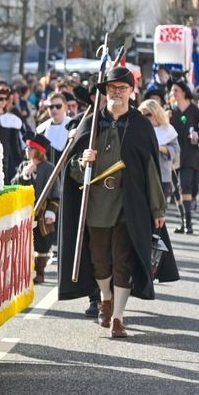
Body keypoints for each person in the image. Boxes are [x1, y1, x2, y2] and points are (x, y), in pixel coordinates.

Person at [60, 67, 174, 339]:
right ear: (106, 92)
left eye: (122, 88)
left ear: (131, 92)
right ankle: (105, 299)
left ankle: (118, 318)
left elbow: (151, 171)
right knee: (101, 261)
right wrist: (82, 160)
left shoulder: (140, 125)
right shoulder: (90, 124)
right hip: (97, 202)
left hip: (128, 203)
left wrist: (158, 209)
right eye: (112, 88)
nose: (117, 93)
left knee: (122, 261)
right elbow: (72, 170)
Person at [16, 133, 59, 284]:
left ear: (39, 151)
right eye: (27, 147)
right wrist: (24, 175)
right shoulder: (23, 166)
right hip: (26, 213)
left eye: (31, 148)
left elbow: (55, 192)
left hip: (42, 213)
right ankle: (28, 272)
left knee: (42, 244)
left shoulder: (49, 168)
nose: (27, 150)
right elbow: (14, 186)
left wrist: (51, 212)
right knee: (27, 244)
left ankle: (40, 272)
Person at [169, 80, 199, 234]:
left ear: (183, 92)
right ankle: (183, 220)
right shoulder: (170, 110)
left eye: (176, 90)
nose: (173, 93)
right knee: (177, 190)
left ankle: (188, 222)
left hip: (191, 153)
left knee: (186, 185)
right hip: (173, 155)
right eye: (172, 91)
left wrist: (198, 135)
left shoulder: (195, 111)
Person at [140, 99, 180, 205]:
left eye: (148, 114)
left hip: (162, 175)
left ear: (156, 113)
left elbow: (176, 149)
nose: (145, 118)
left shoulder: (167, 130)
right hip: (143, 174)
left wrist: (161, 148)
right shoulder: (139, 129)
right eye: (142, 115)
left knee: (158, 209)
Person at [35, 92, 71, 162]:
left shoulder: (73, 126)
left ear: (65, 107)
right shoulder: (41, 129)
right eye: (51, 107)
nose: (54, 109)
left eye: (58, 106)